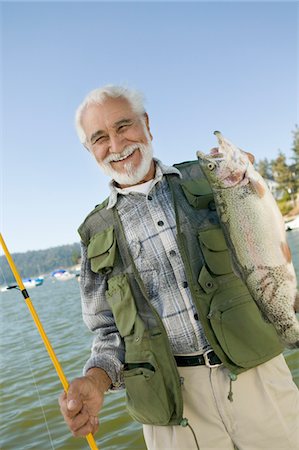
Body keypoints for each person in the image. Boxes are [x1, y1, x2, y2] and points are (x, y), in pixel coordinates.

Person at [59, 85, 299, 450]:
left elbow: (266, 251)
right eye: (100, 138)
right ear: (90, 150)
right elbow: (107, 332)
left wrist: (252, 182)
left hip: (258, 375)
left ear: (147, 124)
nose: (116, 144)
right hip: (173, 407)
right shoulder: (93, 233)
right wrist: (93, 382)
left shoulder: (210, 178)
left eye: (124, 126)